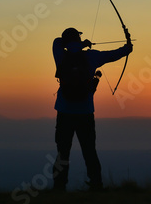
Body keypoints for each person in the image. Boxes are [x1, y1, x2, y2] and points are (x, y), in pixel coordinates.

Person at [51, 27, 132, 191]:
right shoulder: (92, 56)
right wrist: (128, 47)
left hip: (64, 112)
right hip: (85, 112)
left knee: (62, 152)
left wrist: (77, 45)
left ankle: (59, 187)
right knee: (89, 150)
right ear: (78, 40)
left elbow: (57, 41)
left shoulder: (60, 55)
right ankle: (96, 184)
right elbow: (114, 54)